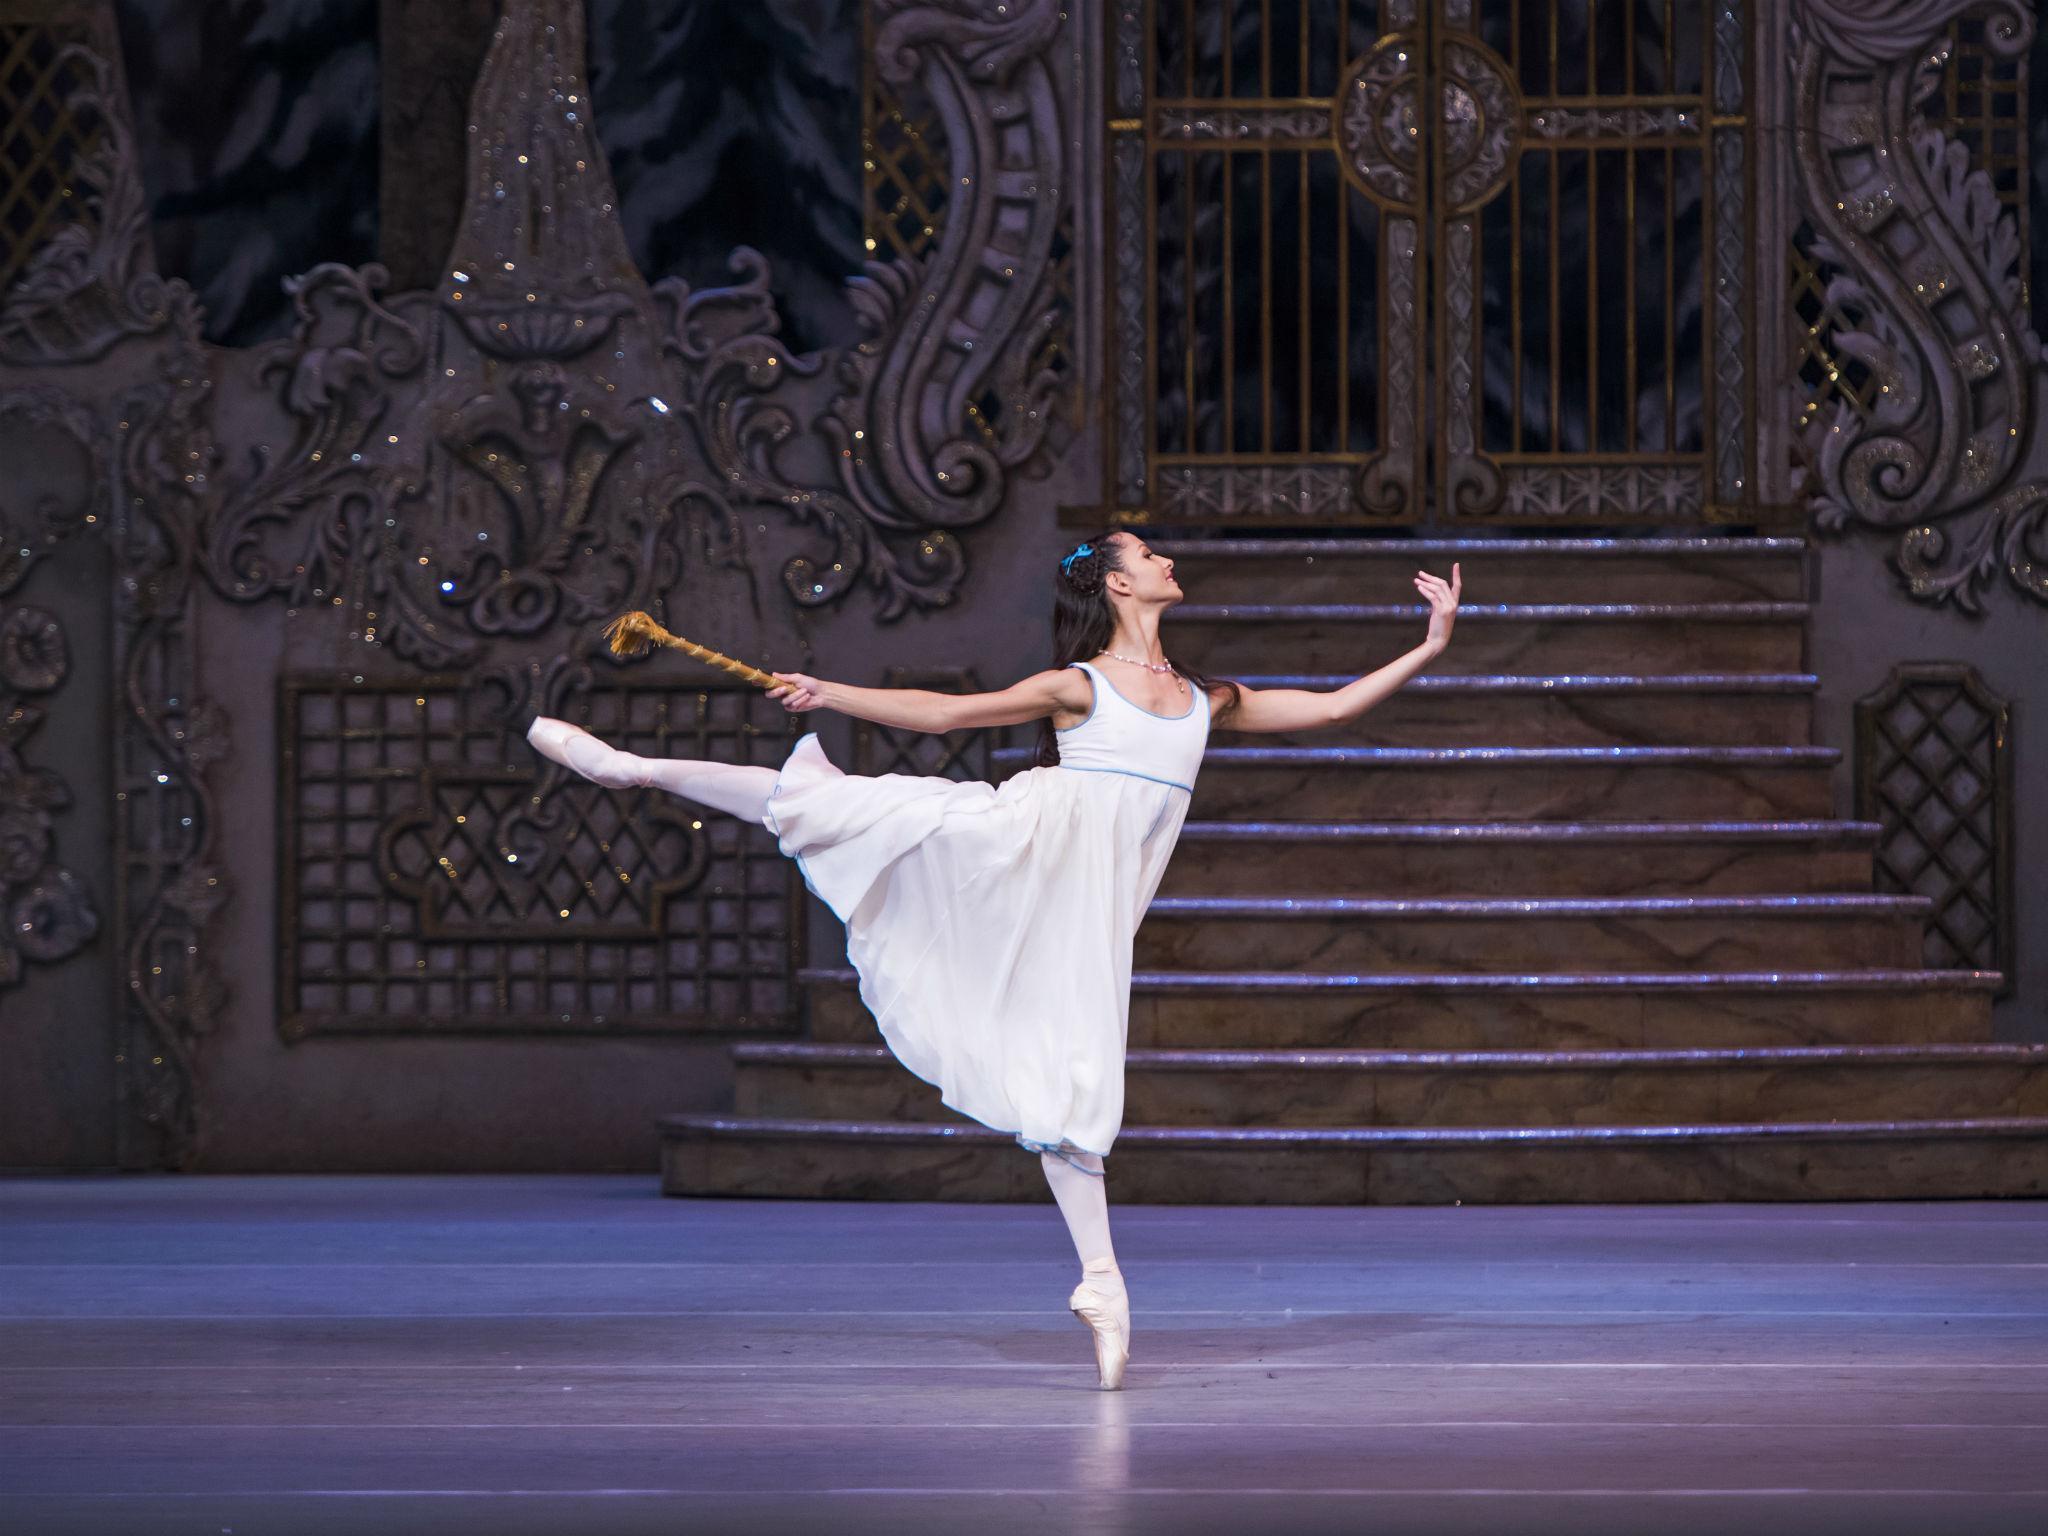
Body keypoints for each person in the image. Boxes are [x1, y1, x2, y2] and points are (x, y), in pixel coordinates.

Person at [526, 531, 1461, 1389]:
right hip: (1021, 845)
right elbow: (946, 715)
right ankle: (632, 768)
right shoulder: (1079, 685)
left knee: (1071, 1073)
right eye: (1148, 553)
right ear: (1117, 582)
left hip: (1086, 907)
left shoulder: (1202, 698)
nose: (1168, 560)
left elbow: (1331, 705)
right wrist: (830, 692)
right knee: (852, 809)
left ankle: (1100, 1284)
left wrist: (1430, 645)